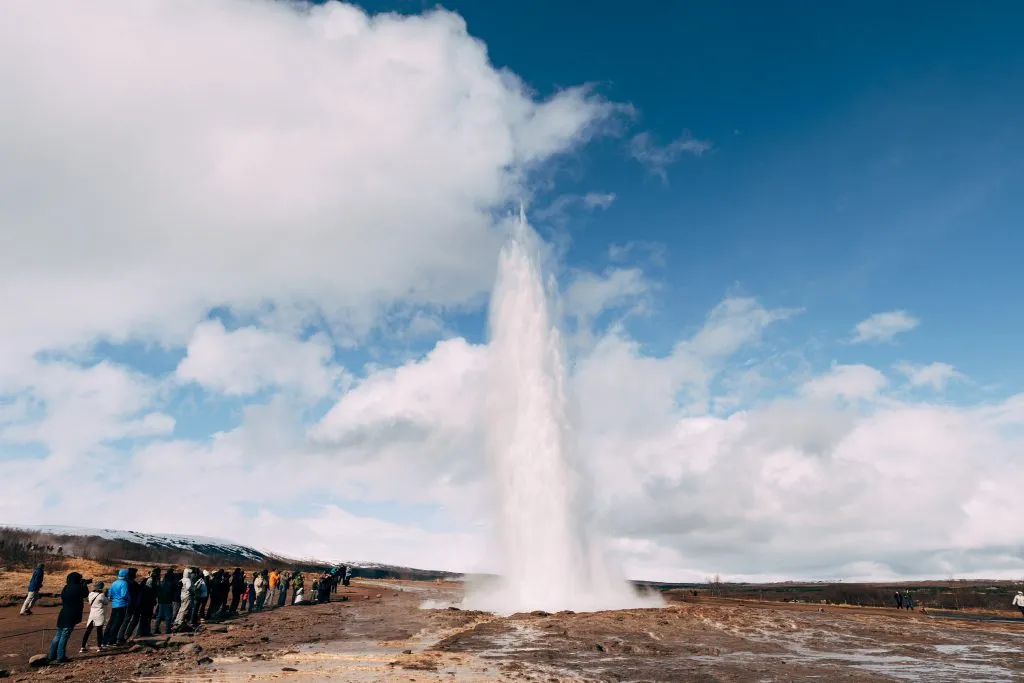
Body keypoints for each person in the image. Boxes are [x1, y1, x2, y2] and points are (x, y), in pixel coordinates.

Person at [49, 573, 90, 664]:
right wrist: (84, 585)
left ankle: (52, 656)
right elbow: (85, 594)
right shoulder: (78, 587)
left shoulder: (66, 587)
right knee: (64, 636)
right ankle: (61, 656)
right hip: (72, 615)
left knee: (57, 636)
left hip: (63, 613)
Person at [105, 569, 131, 646]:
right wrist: (129, 599)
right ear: (126, 575)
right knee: (117, 623)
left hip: (114, 604)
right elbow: (124, 594)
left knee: (111, 622)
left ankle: (105, 640)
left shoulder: (114, 583)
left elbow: (110, 594)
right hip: (122, 604)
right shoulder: (124, 583)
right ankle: (112, 641)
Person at [80, 581, 108, 653]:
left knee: (88, 630)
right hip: (99, 613)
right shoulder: (101, 595)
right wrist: (106, 595)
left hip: (92, 614)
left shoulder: (91, 594)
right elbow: (106, 602)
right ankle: (99, 647)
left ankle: (82, 647)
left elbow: (90, 602)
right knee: (99, 631)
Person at [118, 568, 141, 641]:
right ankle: (123, 636)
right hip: (131, 604)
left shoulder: (124, 582)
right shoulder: (132, 583)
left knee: (125, 620)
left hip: (124, 604)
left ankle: (121, 636)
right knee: (128, 620)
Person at [136, 568, 159, 637]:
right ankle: (142, 632)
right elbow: (150, 592)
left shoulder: (146, 581)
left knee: (146, 617)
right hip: (147, 603)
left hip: (147, 602)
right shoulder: (150, 581)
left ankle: (143, 632)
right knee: (145, 617)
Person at [154, 569, 177, 634]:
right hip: (167, 600)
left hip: (161, 600)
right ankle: (167, 630)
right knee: (168, 615)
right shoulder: (171, 582)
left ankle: (156, 629)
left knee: (159, 615)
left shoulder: (162, 581)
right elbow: (173, 590)